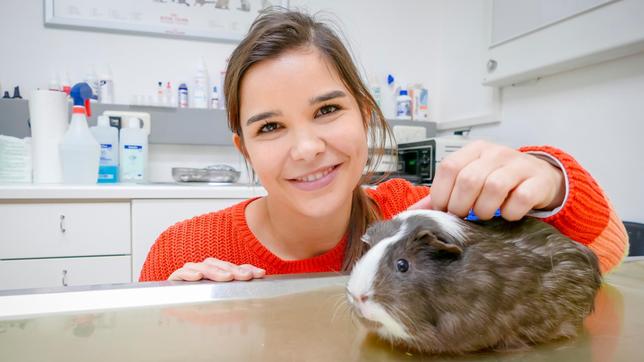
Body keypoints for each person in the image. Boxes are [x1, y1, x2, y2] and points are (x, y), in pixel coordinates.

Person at [139, 9, 628, 283]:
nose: (307, 147)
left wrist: (550, 179)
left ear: (366, 117)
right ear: (243, 148)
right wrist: (177, 324)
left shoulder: (422, 216)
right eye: (270, 127)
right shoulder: (182, 252)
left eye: (327, 110)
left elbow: (608, 253)